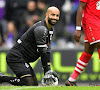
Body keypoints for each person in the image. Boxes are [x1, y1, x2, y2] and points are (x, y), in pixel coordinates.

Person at [0, 6, 60, 86]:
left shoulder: (50, 30)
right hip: (16, 57)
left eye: (57, 15)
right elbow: (43, 52)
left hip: (24, 59)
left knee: (34, 85)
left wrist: (48, 70)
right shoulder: (41, 29)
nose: (55, 17)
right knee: (28, 83)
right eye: (52, 15)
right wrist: (47, 71)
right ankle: (2, 78)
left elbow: (47, 50)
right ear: (46, 15)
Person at [65, 0, 100, 86]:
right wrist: (77, 28)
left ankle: (71, 80)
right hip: (91, 22)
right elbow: (80, 7)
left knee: (88, 51)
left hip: (98, 21)